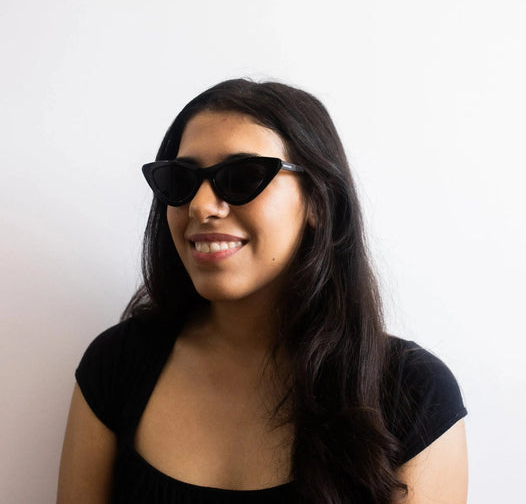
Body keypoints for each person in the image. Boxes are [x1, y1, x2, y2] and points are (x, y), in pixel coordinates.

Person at [57, 79, 468, 504]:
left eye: (243, 176)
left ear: (318, 202)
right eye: (180, 180)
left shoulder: (413, 394)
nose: (200, 205)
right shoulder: (117, 366)